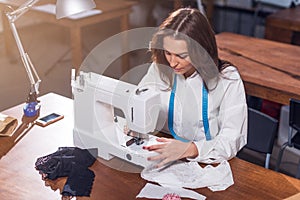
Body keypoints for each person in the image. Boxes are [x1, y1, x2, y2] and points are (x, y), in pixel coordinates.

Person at [139, 8, 248, 168]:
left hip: (209, 162)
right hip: (165, 151)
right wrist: (135, 121)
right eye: (168, 53)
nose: (172, 62)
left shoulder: (227, 79)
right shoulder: (160, 68)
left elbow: (231, 139)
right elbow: (140, 100)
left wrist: (190, 149)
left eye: (181, 56)